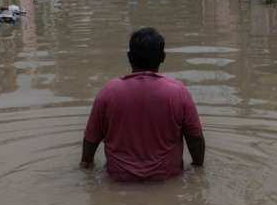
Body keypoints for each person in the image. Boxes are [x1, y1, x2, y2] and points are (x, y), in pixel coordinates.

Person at [80, 27, 205, 181]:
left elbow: (90, 140)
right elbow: (195, 138)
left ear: (129, 57)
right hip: (165, 179)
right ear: (163, 57)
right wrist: (198, 167)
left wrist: (86, 166)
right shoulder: (178, 92)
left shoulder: (108, 92)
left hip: (119, 180)